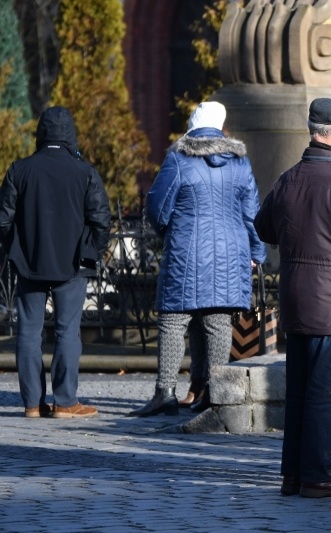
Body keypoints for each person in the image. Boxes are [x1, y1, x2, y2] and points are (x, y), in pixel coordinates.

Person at [255, 98, 331, 498]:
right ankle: (320, 473)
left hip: (294, 297)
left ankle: (294, 473)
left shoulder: (288, 177)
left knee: (299, 392)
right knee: (325, 392)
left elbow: (264, 227)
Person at [129, 101, 266, 417]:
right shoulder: (239, 163)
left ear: (192, 124)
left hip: (186, 250)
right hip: (231, 254)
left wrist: (170, 230)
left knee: (174, 320)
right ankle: (216, 397)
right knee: (218, 322)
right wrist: (256, 252)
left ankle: (165, 393)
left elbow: (156, 205)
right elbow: (251, 213)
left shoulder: (179, 158)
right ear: (221, 127)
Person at [0, 106, 111, 418]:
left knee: (28, 332)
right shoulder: (84, 171)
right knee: (66, 331)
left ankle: (32, 404)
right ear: (69, 134)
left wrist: (13, 251)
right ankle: (65, 402)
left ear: (41, 132)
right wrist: (92, 253)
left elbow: (2, 221)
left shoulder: (19, 170)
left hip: (29, 262)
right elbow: (101, 220)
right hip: (72, 264)